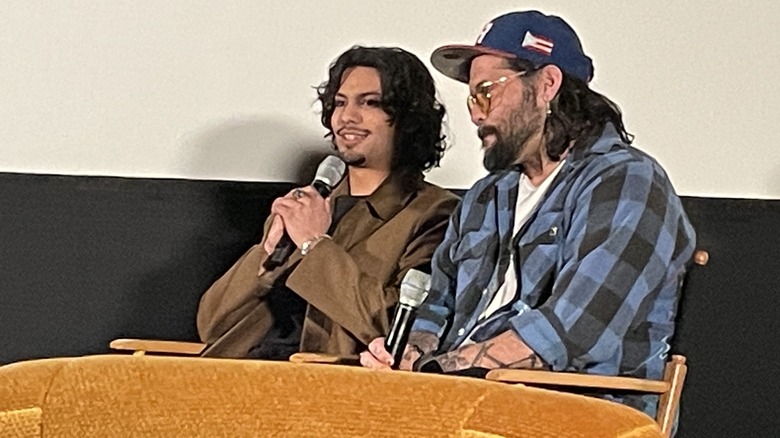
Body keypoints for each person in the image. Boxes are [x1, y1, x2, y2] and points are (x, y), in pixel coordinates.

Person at [360, 11, 696, 418]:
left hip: (581, 412)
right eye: (471, 97)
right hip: (465, 404)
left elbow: (569, 335)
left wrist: (435, 372)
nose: (475, 113)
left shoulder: (628, 183)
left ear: (546, 85)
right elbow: (436, 302)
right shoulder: (488, 196)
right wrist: (408, 352)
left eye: (487, 91)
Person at [197, 46, 460, 360]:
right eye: (339, 103)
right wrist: (266, 256)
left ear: (408, 117)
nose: (347, 117)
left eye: (370, 103)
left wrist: (313, 245)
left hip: (329, 388)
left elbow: (397, 330)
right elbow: (212, 325)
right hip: (242, 377)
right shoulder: (307, 206)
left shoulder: (434, 213)